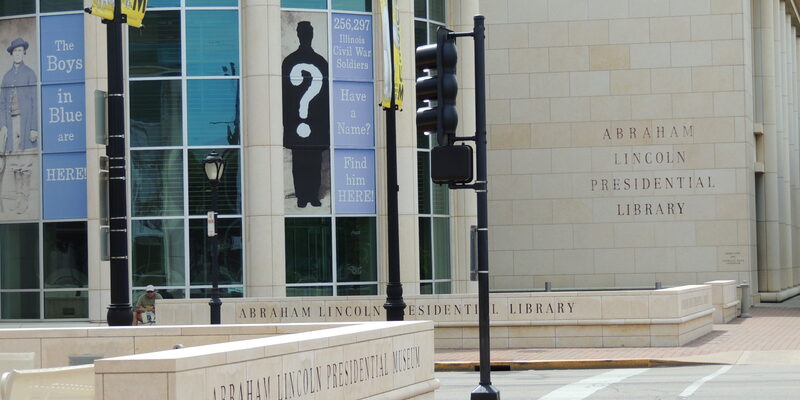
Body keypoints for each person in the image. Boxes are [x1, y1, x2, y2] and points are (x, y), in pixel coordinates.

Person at [282, 21, 329, 208]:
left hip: (306, 122)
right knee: (307, 161)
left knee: (305, 162)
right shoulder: (320, 62)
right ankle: (306, 196)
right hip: (308, 123)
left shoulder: (290, 61)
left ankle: (307, 196)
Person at [0, 37, 38, 214]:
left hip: (26, 122)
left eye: (20, 51)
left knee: (26, 163)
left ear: (24, 53)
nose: (17, 53)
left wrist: (34, 128)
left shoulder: (30, 73)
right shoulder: (6, 77)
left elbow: (35, 102)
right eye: (15, 51)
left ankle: (25, 200)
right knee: (15, 162)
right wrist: (3, 125)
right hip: (11, 123)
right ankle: (17, 200)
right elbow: (2, 103)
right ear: (12, 54)